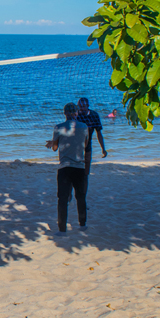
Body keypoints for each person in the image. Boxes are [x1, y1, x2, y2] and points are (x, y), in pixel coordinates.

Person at [46, 103, 89, 233]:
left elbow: (54, 148)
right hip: (79, 167)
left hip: (65, 167)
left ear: (64, 113)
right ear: (76, 113)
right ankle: (82, 224)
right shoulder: (84, 127)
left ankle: (62, 229)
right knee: (80, 197)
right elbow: (85, 145)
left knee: (62, 199)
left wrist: (53, 143)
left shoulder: (58, 127)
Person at [76, 98, 107, 195]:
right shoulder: (75, 115)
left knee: (85, 174)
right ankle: (70, 195)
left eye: (83, 107)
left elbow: (99, 133)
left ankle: (82, 198)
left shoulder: (94, 115)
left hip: (88, 147)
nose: (82, 109)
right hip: (76, 147)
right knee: (74, 173)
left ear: (88, 106)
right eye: (80, 107)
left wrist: (103, 149)